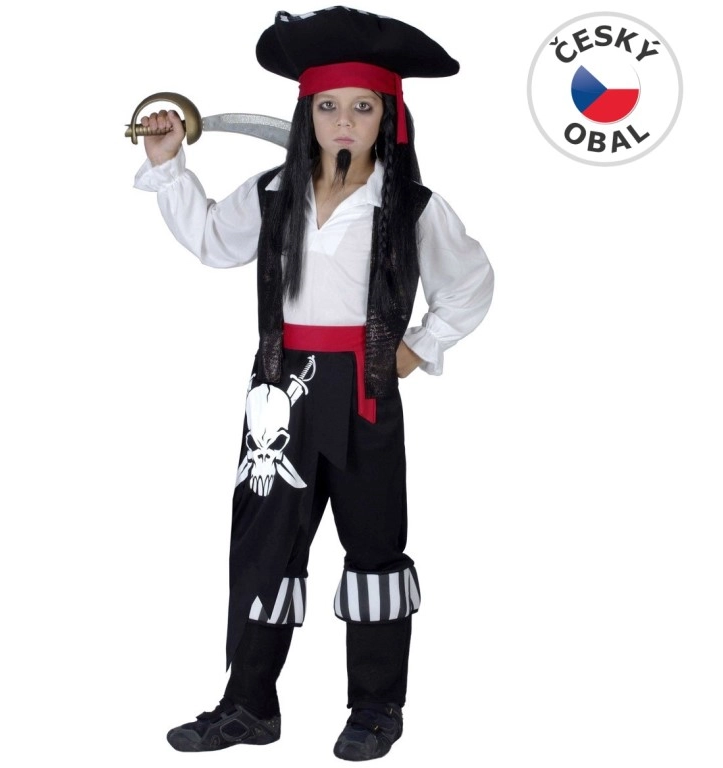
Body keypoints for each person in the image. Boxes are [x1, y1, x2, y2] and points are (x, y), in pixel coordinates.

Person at [132, 7, 493, 761]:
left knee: (374, 547)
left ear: (389, 117)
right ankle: (248, 705)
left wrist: (419, 347)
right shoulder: (272, 193)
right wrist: (169, 166)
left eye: (362, 107)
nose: (344, 121)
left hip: (365, 389)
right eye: (328, 106)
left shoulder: (412, 206)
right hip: (278, 390)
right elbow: (211, 240)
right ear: (308, 115)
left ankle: (375, 707)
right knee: (265, 544)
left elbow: (470, 283)